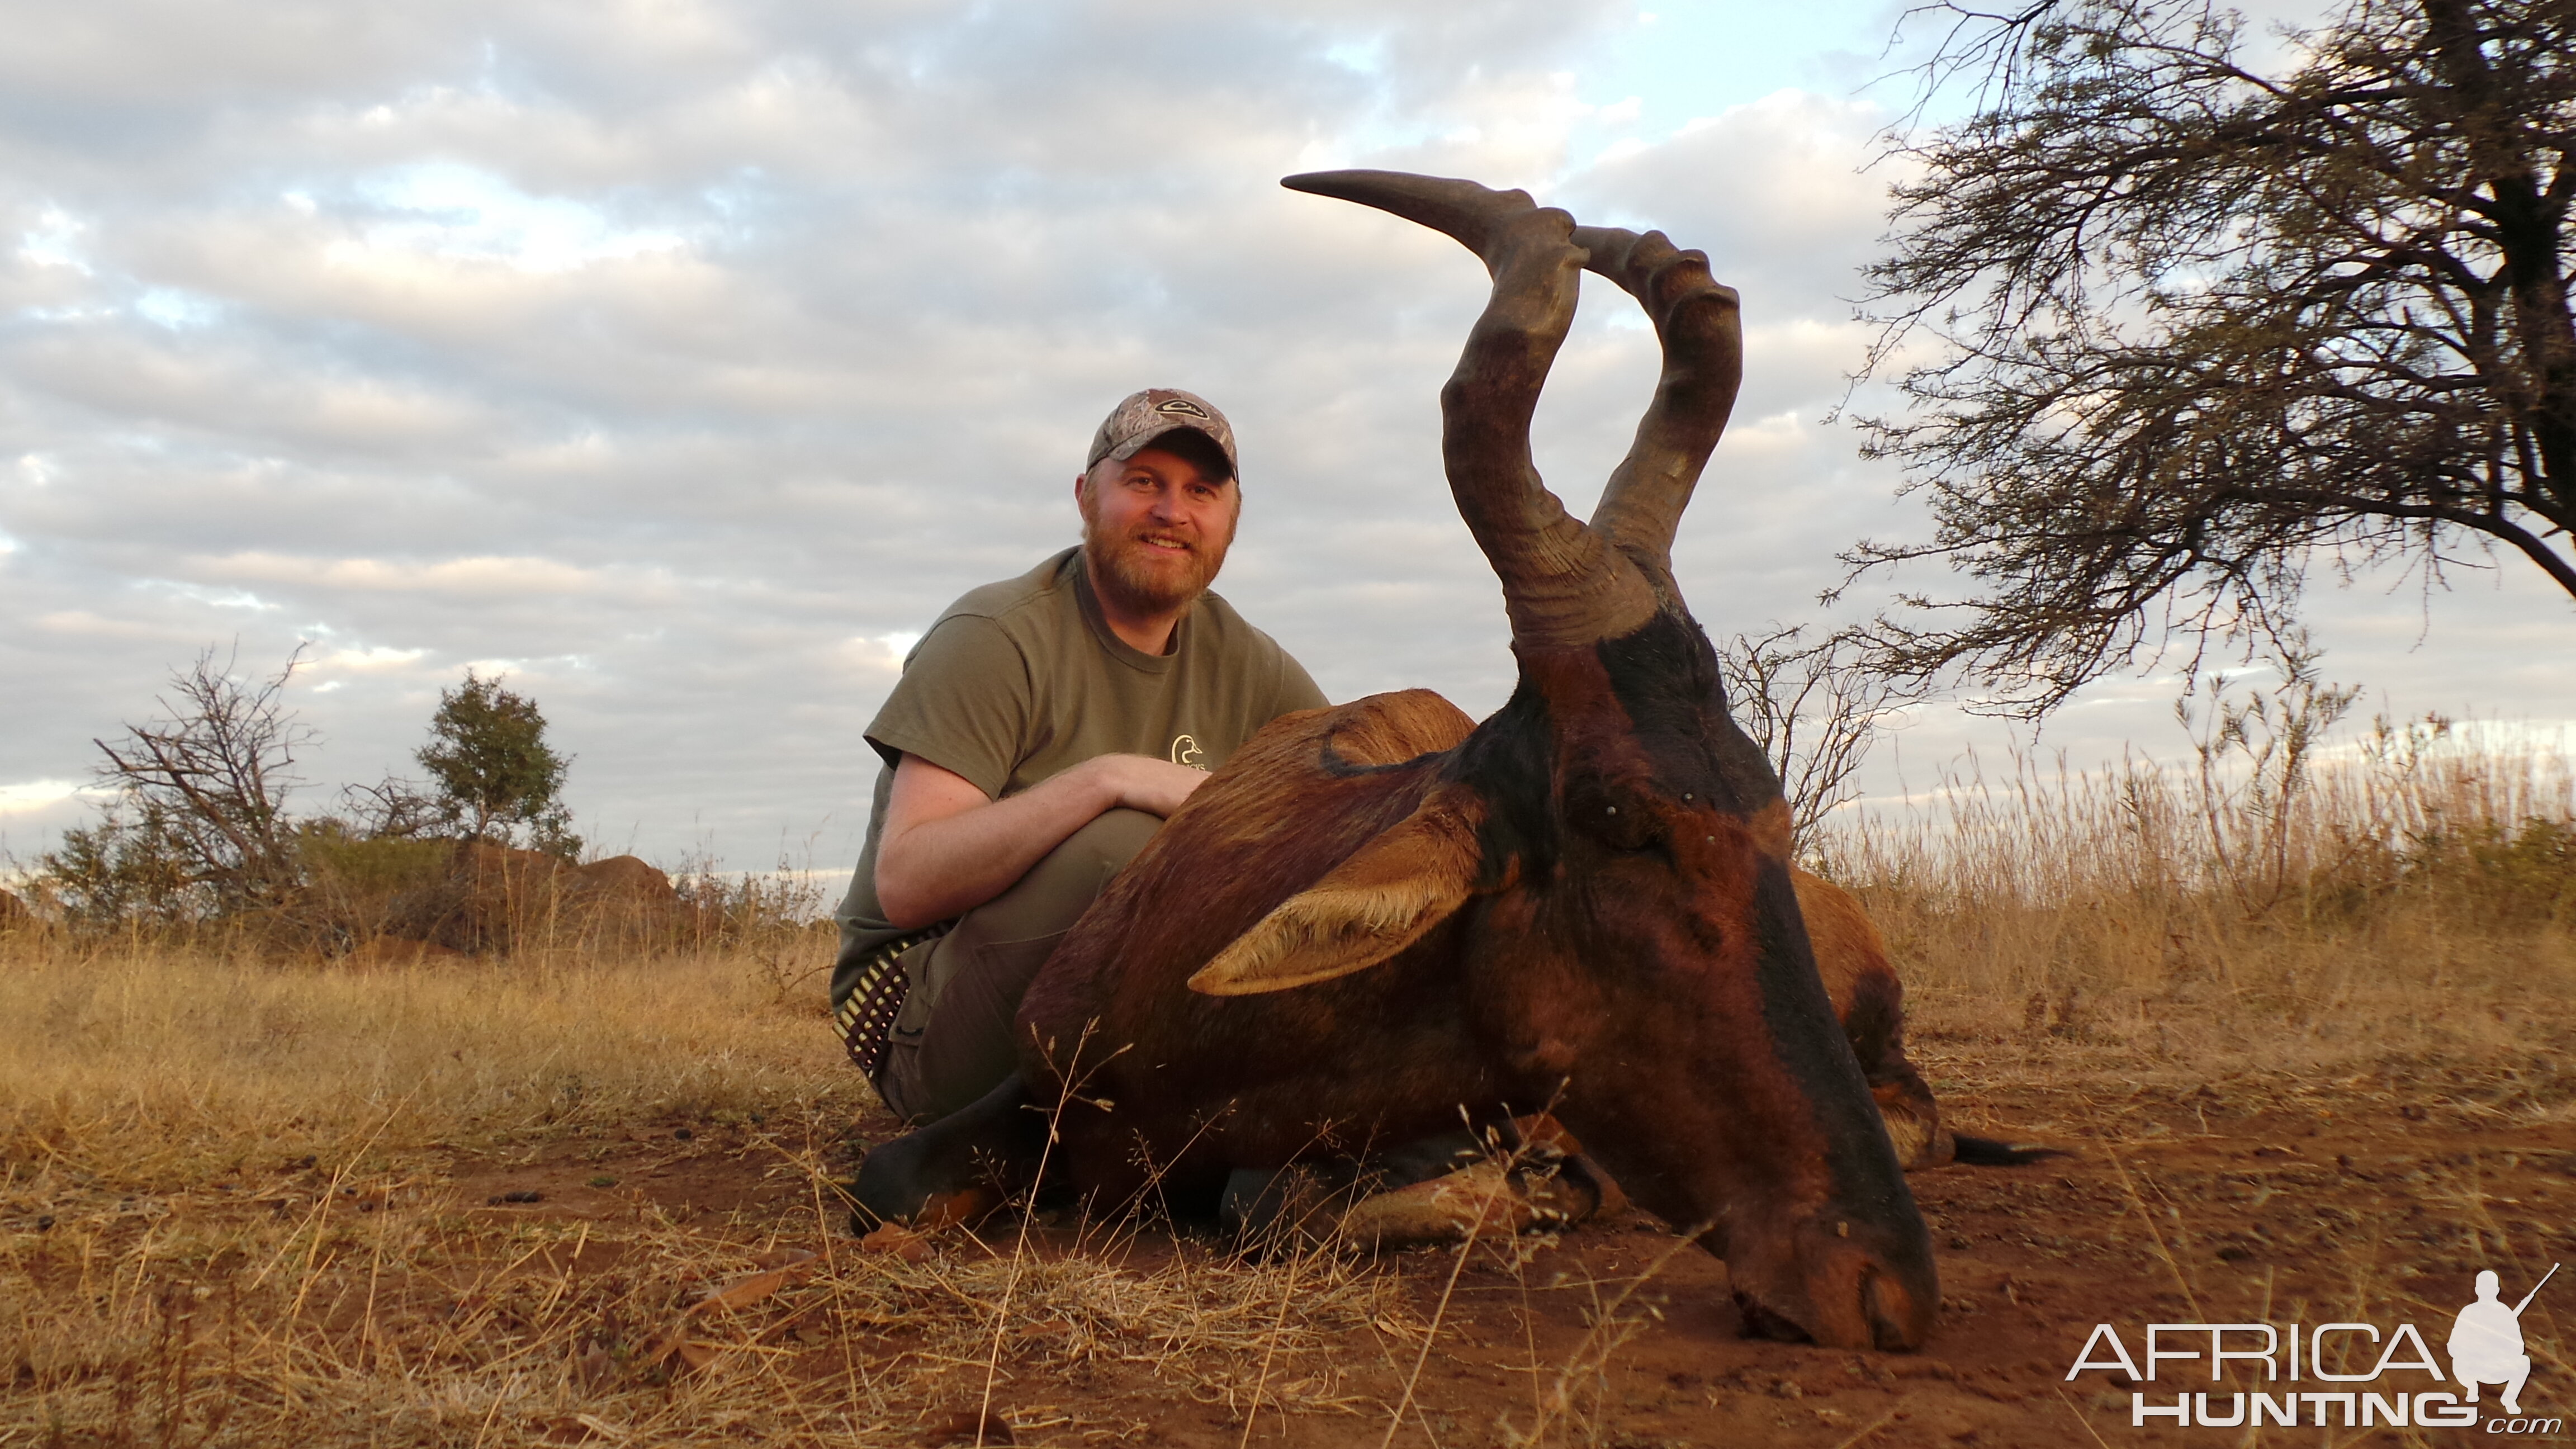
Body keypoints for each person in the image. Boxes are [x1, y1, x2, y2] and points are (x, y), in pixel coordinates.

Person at [830, 388, 1327, 1123]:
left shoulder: (1252, 663)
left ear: (1231, 521)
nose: (1171, 511)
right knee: (1122, 842)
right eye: (1143, 482)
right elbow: (906, 881)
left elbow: (1352, 798)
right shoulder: (996, 635)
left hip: (1113, 1027)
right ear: (1086, 497)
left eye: (1201, 491)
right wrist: (1109, 778)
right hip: (920, 1018)